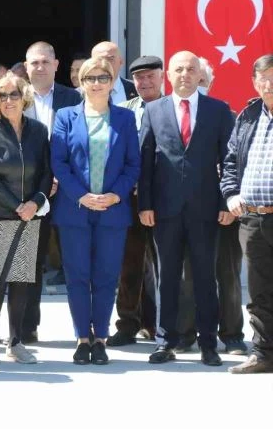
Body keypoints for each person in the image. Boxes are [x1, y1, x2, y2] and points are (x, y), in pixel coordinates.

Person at [139, 50, 234, 366]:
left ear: (199, 75)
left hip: (206, 209)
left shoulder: (219, 111)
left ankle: (209, 343)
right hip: (165, 210)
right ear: (169, 74)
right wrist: (145, 204)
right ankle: (165, 342)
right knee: (166, 278)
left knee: (206, 277)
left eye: (190, 69)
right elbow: (145, 161)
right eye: (178, 69)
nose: (184, 74)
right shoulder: (153, 110)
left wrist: (225, 202)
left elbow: (230, 161)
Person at [51, 57, 140, 364]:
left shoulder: (125, 119)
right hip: (75, 209)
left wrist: (116, 195)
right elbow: (59, 162)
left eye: (104, 77)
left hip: (113, 210)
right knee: (77, 276)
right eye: (91, 78)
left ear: (112, 81)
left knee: (105, 276)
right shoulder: (65, 116)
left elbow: (133, 164)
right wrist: (81, 195)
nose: (98, 83)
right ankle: (81, 338)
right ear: (82, 82)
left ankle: (100, 338)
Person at [0, 73, 51, 364]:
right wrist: (16, 205)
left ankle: (15, 341)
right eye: (2, 95)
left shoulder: (39, 131)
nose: (8, 101)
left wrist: (35, 203)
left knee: (21, 281)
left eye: (14, 94)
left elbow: (46, 171)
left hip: (30, 216)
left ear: (24, 97)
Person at [176, 57, 246, 355]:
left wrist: (228, 205)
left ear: (209, 83)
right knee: (187, 276)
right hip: (187, 211)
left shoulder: (227, 114)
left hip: (222, 210)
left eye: (202, 80)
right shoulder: (173, 115)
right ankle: (185, 334)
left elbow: (234, 165)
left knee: (227, 274)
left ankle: (231, 335)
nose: (196, 85)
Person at [21, 41, 81, 344]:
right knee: (29, 262)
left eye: (45, 61)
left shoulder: (74, 98)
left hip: (68, 190)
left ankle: (83, 330)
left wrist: (60, 177)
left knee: (76, 261)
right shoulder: (15, 97)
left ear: (57, 65)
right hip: (29, 192)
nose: (40, 67)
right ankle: (27, 327)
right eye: (34, 62)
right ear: (26, 66)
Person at [221, 53, 273, 373]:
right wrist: (230, 194)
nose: (268, 84)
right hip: (252, 219)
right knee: (258, 292)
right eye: (262, 78)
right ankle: (264, 354)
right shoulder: (249, 115)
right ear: (254, 82)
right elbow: (229, 163)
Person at [107, 55, 164, 347]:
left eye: (150, 76)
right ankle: (128, 323)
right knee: (129, 265)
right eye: (139, 78)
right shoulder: (122, 111)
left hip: (166, 200)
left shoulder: (172, 108)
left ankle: (164, 325)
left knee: (167, 266)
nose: (144, 82)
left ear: (161, 76)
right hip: (129, 199)